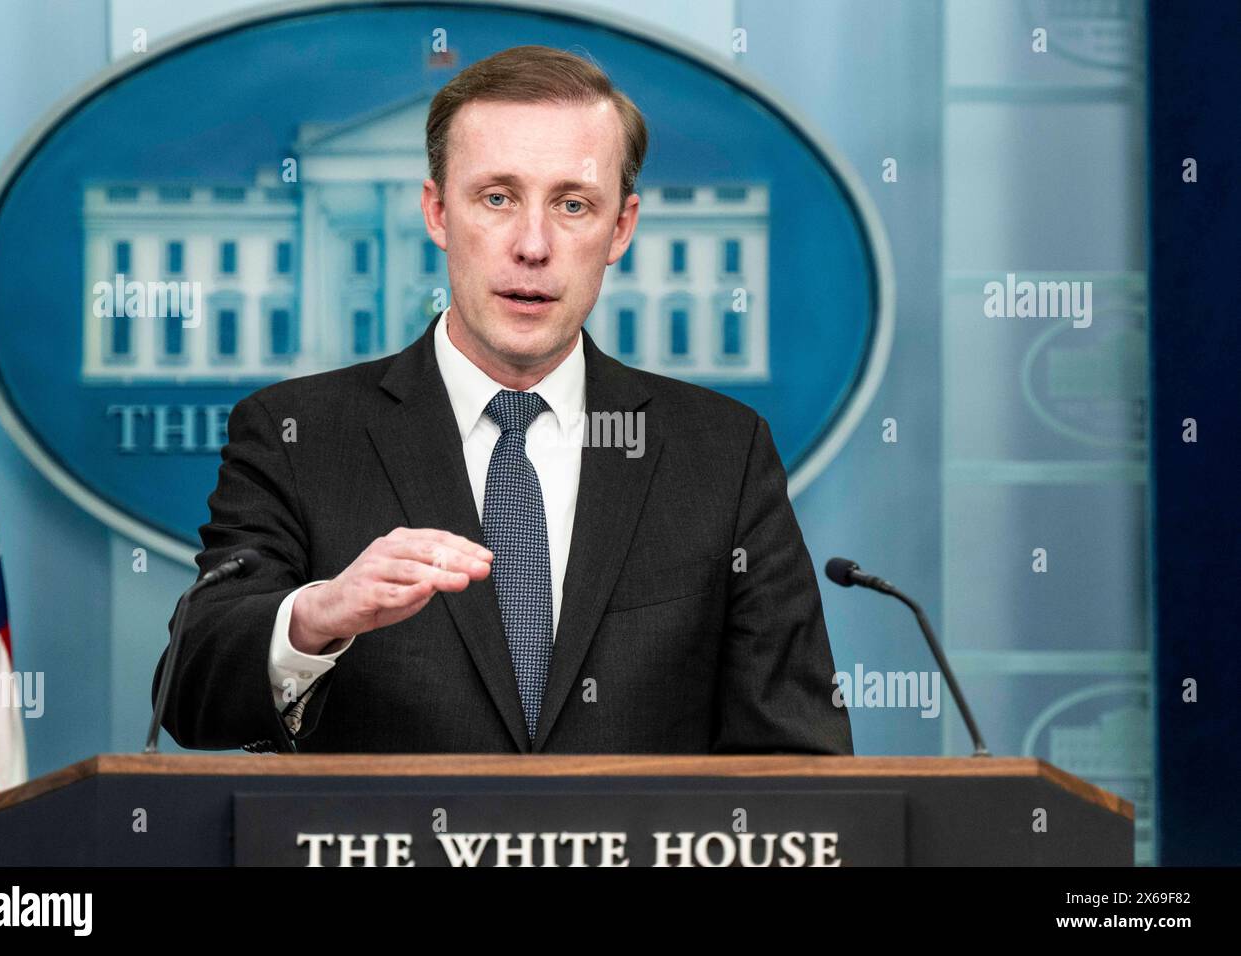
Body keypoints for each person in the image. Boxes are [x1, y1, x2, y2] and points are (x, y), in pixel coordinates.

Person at [153, 44, 853, 756]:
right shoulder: (296, 435)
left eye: (573, 205)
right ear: (436, 212)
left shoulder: (721, 454)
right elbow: (192, 691)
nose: (533, 245)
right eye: (497, 198)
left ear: (620, 229)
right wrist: (315, 618)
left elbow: (798, 759)